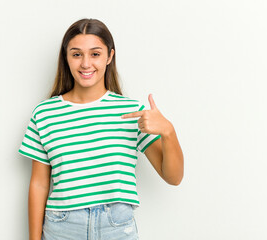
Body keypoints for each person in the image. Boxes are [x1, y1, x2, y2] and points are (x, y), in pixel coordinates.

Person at [18, 18, 184, 240]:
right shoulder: (45, 113)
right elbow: (38, 183)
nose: (86, 63)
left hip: (117, 228)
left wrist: (169, 132)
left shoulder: (131, 112)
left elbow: (173, 177)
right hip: (63, 228)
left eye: (95, 54)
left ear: (109, 57)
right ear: (66, 58)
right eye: (77, 54)